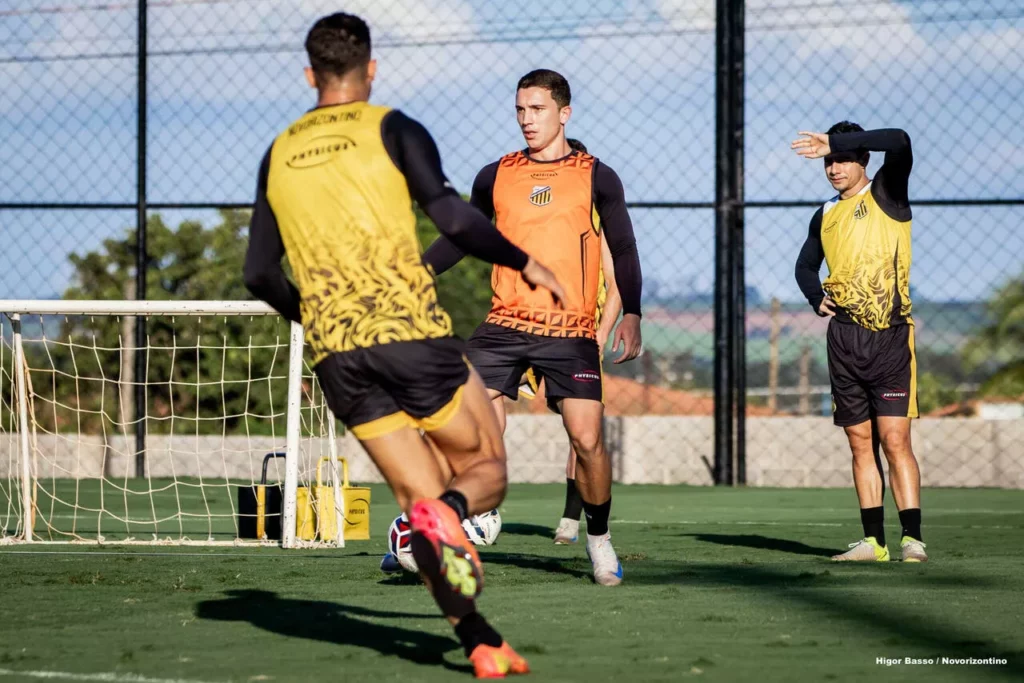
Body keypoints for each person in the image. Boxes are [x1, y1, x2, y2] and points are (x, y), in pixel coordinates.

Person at [244, 13, 568, 676]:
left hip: (337, 355)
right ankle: (451, 515)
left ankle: (477, 639)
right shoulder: (392, 127)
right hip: (409, 334)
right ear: (371, 69)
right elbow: (454, 218)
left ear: (309, 75)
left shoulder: (278, 151)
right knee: (484, 472)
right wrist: (525, 261)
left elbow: (258, 274)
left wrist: (314, 315)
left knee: (418, 508)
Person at [422, 70, 644, 585]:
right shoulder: (495, 175)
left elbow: (624, 247)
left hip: (569, 328)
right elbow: (461, 236)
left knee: (586, 440)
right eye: (521, 109)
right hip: (504, 323)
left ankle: (598, 539)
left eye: (537, 109)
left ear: (564, 113)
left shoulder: (597, 176)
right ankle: (449, 527)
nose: (527, 119)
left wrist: (631, 311)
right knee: (467, 422)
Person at [792, 122, 927, 563]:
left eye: (842, 160)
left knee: (894, 439)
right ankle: (874, 543)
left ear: (862, 159)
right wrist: (815, 297)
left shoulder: (887, 192)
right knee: (858, 441)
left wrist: (833, 141)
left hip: (889, 337)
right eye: (829, 162)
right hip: (844, 339)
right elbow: (805, 266)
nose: (834, 168)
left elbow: (900, 140)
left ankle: (912, 539)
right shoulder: (825, 213)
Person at [516, 138, 625, 546]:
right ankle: (469, 504)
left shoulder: (599, 223)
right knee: (479, 395)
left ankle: (572, 519)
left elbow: (617, 285)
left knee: (581, 432)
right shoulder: (536, 218)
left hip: (578, 339)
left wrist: (601, 335)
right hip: (531, 329)